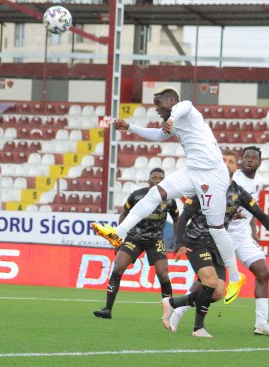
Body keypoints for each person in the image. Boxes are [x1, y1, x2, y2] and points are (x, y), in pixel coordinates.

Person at [91, 87, 246, 304]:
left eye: (159, 104)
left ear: (172, 100)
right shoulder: (173, 121)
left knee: (217, 229)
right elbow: (158, 135)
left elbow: (184, 106)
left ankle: (237, 278)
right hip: (192, 172)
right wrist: (131, 128)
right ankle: (119, 232)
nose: (156, 109)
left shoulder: (187, 110)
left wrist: (172, 117)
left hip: (212, 176)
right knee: (155, 194)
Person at [163, 151, 269, 338]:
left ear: (235, 167)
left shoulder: (239, 192)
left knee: (218, 292)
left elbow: (260, 214)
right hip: (196, 240)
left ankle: (174, 304)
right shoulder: (204, 186)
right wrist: (179, 242)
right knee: (210, 281)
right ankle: (198, 328)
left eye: (231, 162)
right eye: (224, 161)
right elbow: (185, 215)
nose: (227, 164)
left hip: (220, 244)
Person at [94, 167, 179, 320]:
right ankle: (107, 309)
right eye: (155, 178)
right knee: (118, 267)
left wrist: (179, 241)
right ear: (149, 179)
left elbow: (177, 219)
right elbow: (124, 213)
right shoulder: (137, 195)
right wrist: (117, 240)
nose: (158, 181)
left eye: (161, 178)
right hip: (135, 238)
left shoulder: (170, 200)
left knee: (163, 275)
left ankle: (170, 312)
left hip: (155, 240)